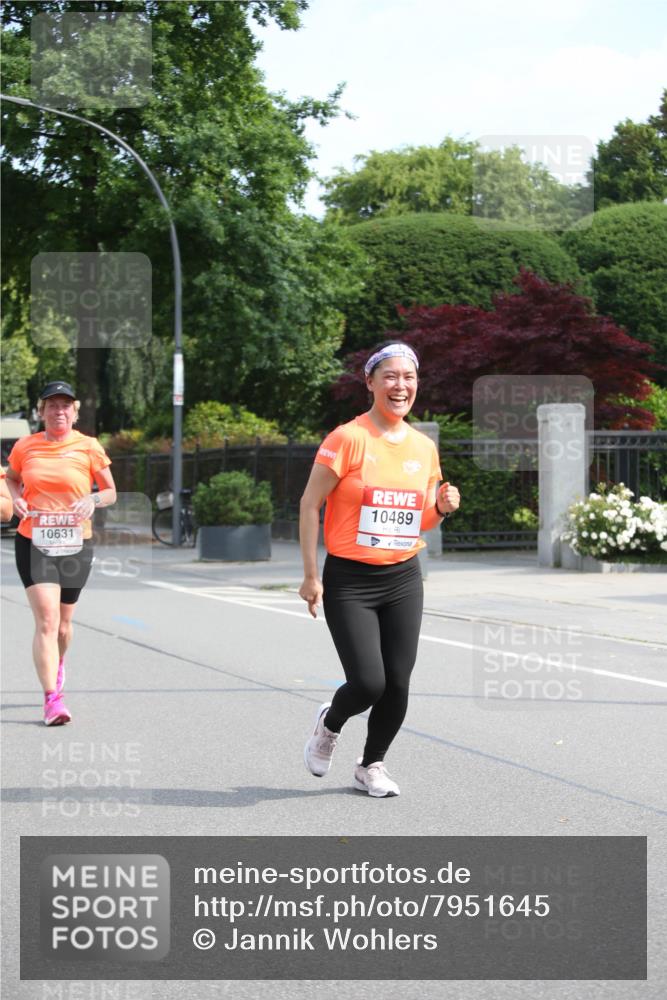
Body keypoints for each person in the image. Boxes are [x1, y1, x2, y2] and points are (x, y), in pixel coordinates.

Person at [299, 342, 460, 797]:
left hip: (404, 576)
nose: (400, 385)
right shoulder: (347, 438)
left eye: (408, 377)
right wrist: (311, 576)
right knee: (369, 681)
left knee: (398, 682)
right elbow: (310, 505)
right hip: (350, 578)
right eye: (390, 376)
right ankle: (329, 724)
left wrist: (442, 508)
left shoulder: (423, 448)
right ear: (370, 382)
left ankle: (371, 765)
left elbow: (420, 518)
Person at [5, 381, 117, 726]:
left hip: (75, 543)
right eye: (52, 405)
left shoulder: (89, 446)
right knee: (47, 620)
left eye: (65, 405)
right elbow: (11, 478)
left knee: (64, 627)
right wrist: (18, 498)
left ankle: (58, 662)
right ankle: (52, 699)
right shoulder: (26, 446)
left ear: (74, 411)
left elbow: (110, 491)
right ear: (42, 412)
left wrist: (92, 499)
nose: (59, 411)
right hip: (34, 540)